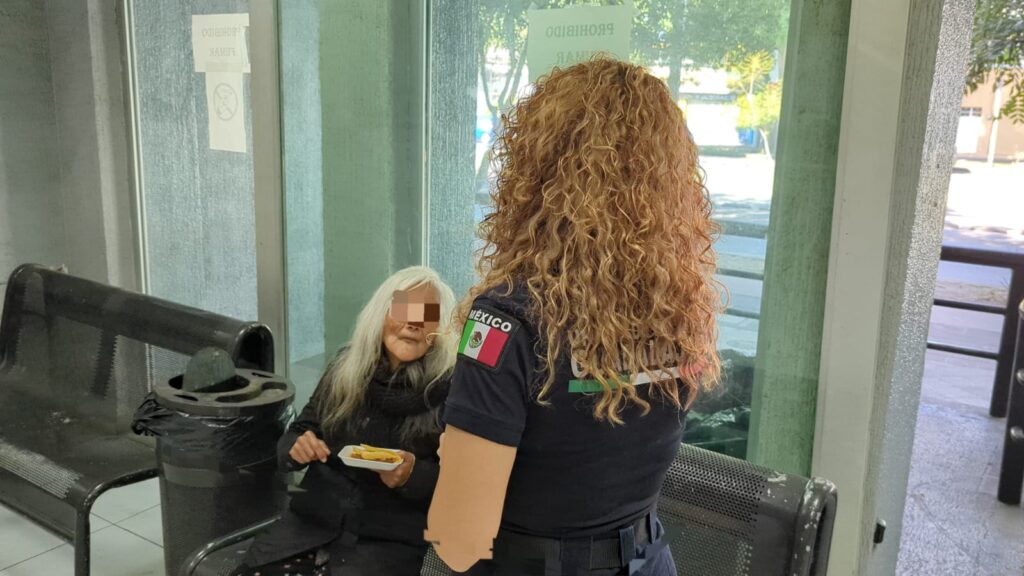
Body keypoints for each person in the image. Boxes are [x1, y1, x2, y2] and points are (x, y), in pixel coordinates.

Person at [425, 58, 721, 576]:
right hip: (649, 560)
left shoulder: (505, 320)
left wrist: (451, 456)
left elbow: (458, 541)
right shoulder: (679, 308)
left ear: (537, 170)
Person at [236, 266, 457, 576]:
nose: (413, 323)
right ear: (380, 314)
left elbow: (462, 487)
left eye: (427, 315)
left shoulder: (450, 389)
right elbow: (299, 431)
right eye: (404, 310)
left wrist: (413, 475)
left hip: (387, 542)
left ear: (439, 329)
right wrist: (297, 446)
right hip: (310, 525)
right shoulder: (346, 367)